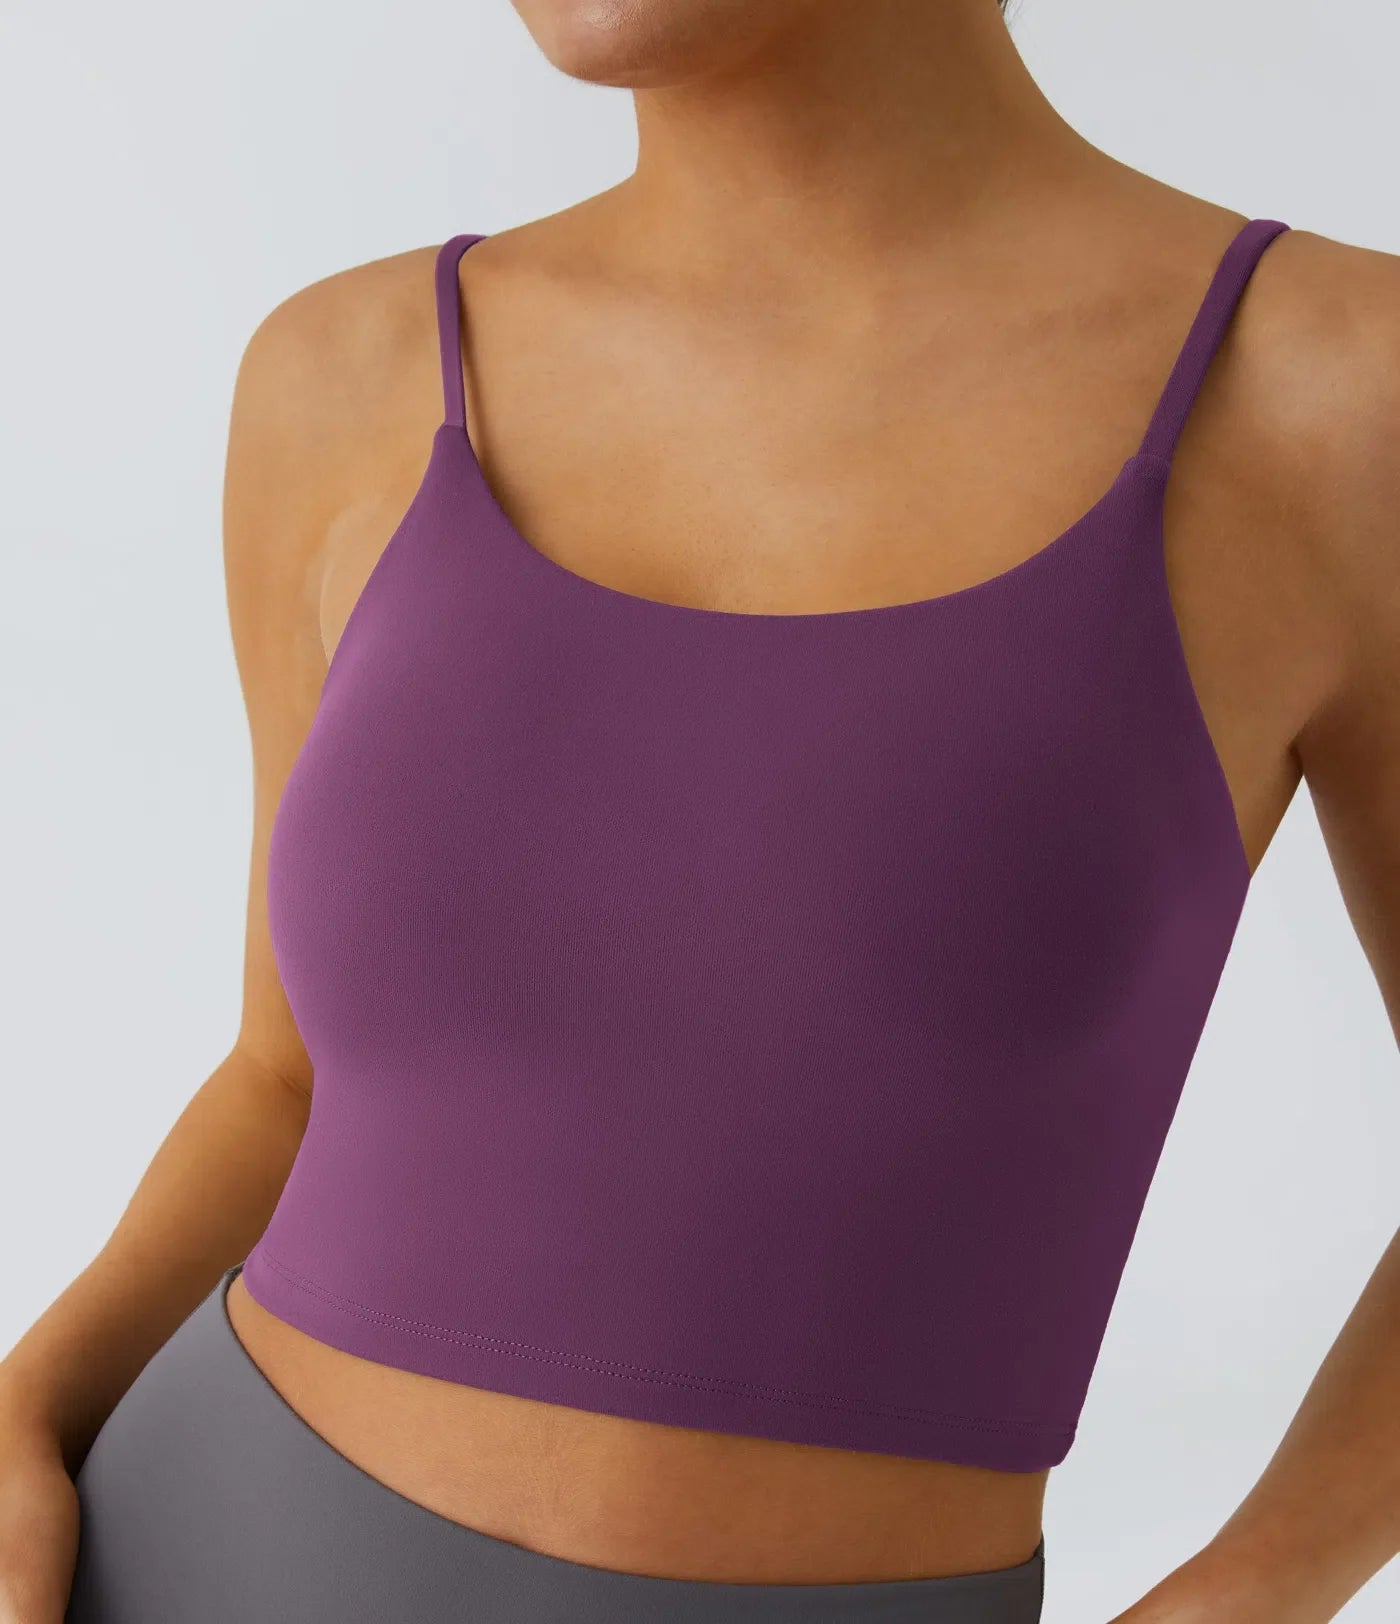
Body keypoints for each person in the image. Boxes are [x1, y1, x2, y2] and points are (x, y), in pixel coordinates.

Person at [4, 1, 1399, 1620]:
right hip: (183, 1562)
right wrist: (25, 1410)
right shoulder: (348, 372)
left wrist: (1246, 1594)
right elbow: (282, 1079)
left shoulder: (1334, 392)